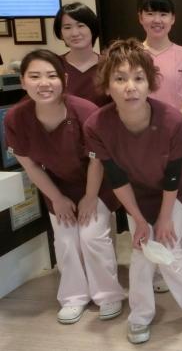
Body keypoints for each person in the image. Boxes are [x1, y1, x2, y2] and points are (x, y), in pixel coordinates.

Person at [84, 39, 182, 344]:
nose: (130, 87)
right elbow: (116, 177)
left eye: (138, 78)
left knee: (165, 245)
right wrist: (140, 220)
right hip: (137, 193)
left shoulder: (172, 120)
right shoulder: (97, 125)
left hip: (178, 191)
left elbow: (174, 175)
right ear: (107, 86)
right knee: (142, 248)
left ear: (150, 83)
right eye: (120, 79)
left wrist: (165, 218)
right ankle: (141, 316)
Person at [4, 49, 124, 325]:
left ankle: (108, 295)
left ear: (64, 80)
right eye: (35, 76)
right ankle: (73, 297)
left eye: (51, 76)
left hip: (98, 183)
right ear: (22, 81)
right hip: (57, 185)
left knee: (92, 236)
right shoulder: (16, 118)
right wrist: (57, 198)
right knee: (66, 239)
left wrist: (90, 197)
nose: (44, 83)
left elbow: (97, 160)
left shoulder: (85, 111)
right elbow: (30, 165)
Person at [137, 0, 182, 289]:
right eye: (150, 12)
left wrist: (168, 129)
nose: (157, 19)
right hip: (140, 146)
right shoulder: (133, 56)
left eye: (163, 13)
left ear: (173, 18)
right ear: (140, 17)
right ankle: (157, 269)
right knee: (151, 208)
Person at [53, 2, 111, 106]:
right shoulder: (54, 65)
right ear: (61, 34)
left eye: (80, 26)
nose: (75, 33)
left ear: (92, 29)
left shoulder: (110, 64)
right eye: (67, 27)